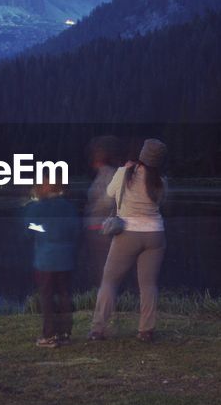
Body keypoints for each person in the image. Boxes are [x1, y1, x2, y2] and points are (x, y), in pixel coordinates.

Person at [90, 138, 168, 342]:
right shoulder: (161, 182)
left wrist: (124, 170)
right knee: (148, 285)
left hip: (127, 234)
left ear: (142, 156)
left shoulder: (124, 174)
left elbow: (108, 193)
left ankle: (98, 329)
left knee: (109, 282)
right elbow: (161, 201)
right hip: (155, 235)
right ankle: (146, 330)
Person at [23, 179, 80, 348]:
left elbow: (28, 230)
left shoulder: (36, 208)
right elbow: (75, 231)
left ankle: (49, 335)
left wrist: (41, 230)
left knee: (47, 297)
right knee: (64, 295)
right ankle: (65, 333)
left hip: (45, 260)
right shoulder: (69, 207)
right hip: (66, 258)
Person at [82, 135, 120, 283]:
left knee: (105, 270)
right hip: (98, 229)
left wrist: (92, 210)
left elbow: (109, 200)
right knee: (101, 269)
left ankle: (109, 301)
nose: (94, 154)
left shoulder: (110, 173)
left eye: (98, 151)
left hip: (104, 229)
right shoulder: (102, 173)